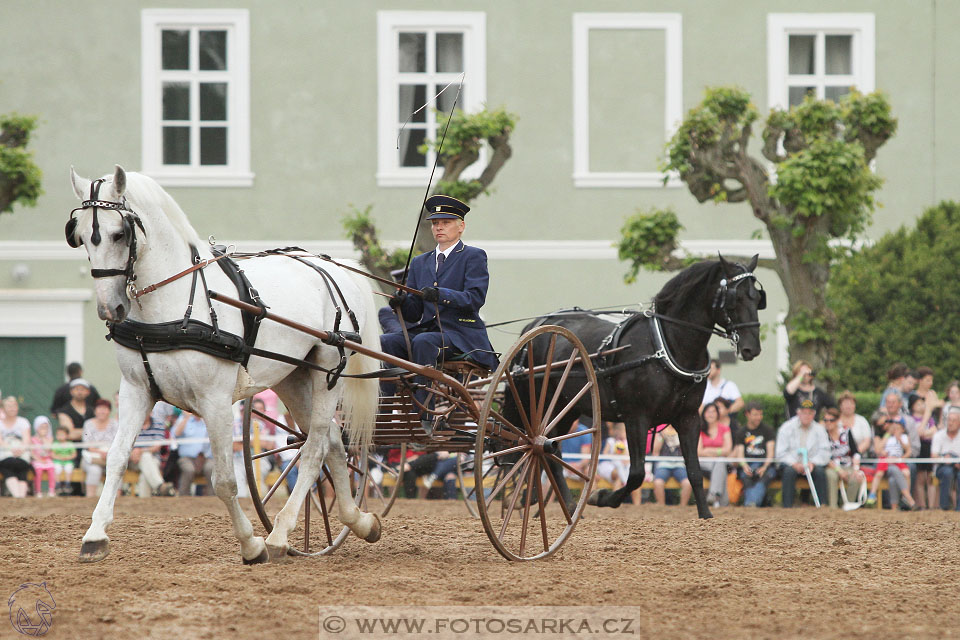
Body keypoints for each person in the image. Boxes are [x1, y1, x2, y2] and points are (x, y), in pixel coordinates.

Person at [380, 195, 498, 433]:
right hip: (429, 331)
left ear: (461, 226)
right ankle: (385, 411)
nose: (439, 227)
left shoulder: (473, 256)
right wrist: (401, 303)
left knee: (424, 342)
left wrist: (441, 294)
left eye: (445, 222)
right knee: (387, 342)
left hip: (460, 333)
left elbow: (475, 298)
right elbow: (413, 314)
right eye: (435, 223)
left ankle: (426, 416)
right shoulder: (420, 263)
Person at [775, 399, 829, 508]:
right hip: (791, 464)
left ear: (814, 414)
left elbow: (825, 452)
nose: (807, 416)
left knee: (820, 472)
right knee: (789, 472)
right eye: (804, 412)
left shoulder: (820, 429)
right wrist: (795, 464)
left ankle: (823, 506)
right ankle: (787, 507)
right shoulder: (786, 428)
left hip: (811, 465)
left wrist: (812, 463)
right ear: (798, 413)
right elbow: (780, 453)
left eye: (810, 413)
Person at [870, 393, 917, 507]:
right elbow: (876, 449)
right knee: (895, 471)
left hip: (899, 459)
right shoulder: (879, 427)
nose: (890, 405)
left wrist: (900, 456)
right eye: (888, 402)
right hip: (884, 460)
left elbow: (911, 449)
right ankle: (908, 499)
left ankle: (898, 503)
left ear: (900, 404)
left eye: (893, 402)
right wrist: (888, 435)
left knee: (904, 472)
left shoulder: (907, 422)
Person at [55, 378, 95, 495]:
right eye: (77, 389)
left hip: (89, 449)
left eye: (83, 389)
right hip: (70, 450)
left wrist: (79, 432)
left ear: (87, 392)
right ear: (71, 391)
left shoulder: (92, 410)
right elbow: (69, 434)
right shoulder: (64, 411)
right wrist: (89, 432)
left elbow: (75, 432)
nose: (80, 392)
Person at [734, 401, 776, 507]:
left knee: (763, 478)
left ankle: (750, 504)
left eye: (760, 414)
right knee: (746, 477)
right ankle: (753, 504)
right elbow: (740, 454)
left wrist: (765, 467)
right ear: (747, 414)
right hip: (748, 464)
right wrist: (744, 466)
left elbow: (771, 453)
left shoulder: (768, 430)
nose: (759, 417)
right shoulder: (741, 432)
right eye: (756, 414)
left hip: (765, 465)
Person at [822, 407, 864, 508]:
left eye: (831, 420)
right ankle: (833, 507)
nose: (828, 423)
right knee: (832, 476)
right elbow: (824, 457)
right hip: (831, 467)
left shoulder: (846, 432)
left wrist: (856, 469)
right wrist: (839, 470)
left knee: (855, 478)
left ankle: (848, 506)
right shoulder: (822, 434)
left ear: (837, 420)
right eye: (825, 420)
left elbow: (856, 452)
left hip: (847, 465)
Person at [128, 414, 174, 497]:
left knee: (144, 473)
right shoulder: (130, 425)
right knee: (146, 457)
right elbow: (125, 446)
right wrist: (133, 454)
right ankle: (160, 486)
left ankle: (144, 503)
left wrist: (140, 451)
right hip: (133, 460)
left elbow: (157, 447)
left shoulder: (158, 424)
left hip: (153, 459)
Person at [80, 398, 119, 497]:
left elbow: (117, 443)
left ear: (109, 411)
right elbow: (87, 445)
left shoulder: (115, 424)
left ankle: (116, 498)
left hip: (110, 457)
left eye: (105, 408)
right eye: (99, 408)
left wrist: (109, 453)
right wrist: (101, 453)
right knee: (94, 470)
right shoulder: (88, 424)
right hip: (92, 458)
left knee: (116, 470)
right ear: (95, 410)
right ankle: (90, 497)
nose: (102, 411)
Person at [698, 402, 732, 508]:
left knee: (720, 464)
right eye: (708, 412)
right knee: (720, 463)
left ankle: (713, 496)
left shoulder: (725, 428)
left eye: (713, 412)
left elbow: (728, 450)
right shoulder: (699, 429)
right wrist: (718, 452)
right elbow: (698, 451)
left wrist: (709, 450)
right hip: (703, 462)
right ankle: (722, 501)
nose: (710, 414)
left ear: (718, 414)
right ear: (704, 414)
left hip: (719, 461)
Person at [172, 411, 213, 495]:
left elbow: (216, 434)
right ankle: (184, 497)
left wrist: (206, 420)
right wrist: (186, 418)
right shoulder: (183, 418)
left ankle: (213, 498)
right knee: (188, 469)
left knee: (211, 468)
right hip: (187, 458)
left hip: (206, 458)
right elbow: (176, 433)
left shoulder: (209, 420)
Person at [652, 425, 692, 506]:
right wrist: (661, 436)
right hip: (663, 463)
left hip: (679, 463)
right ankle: (661, 505)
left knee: (687, 483)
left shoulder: (683, 431)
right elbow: (655, 451)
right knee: (658, 483)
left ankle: (682, 506)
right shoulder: (661, 432)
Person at [0, 397, 32, 498]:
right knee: (8, 465)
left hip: (21, 454)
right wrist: (11, 449)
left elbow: (26, 439)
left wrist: (20, 449)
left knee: (21, 467)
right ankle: (18, 496)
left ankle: (20, 498)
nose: (12, 408)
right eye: (9, 406)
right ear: (3, 408)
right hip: (6, 454)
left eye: (14, 406)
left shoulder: (23, 422)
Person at [910, 395, 938, 509]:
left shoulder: (929, 418)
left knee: (930, 478)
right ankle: (921, 505)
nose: (921, 406)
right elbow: (917, 433)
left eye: (922, 403)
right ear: (912, 406)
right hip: (918, 449)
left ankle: (931, 506)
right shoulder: (911, 419)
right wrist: (926, 432)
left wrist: (924, 433)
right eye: (918, 404)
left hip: (928, 447)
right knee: (920, 478)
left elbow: (934, 430)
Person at [932, 411, 960, 510]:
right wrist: (944, 458)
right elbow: (933, 456)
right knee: (947, 472)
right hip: (942, 466)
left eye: (954, 420)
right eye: (949, 420)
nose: (950, 423)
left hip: (958, 466)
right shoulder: (939, 435)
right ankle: (944, 506)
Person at [30, 417, 57, 498]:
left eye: (46, 428)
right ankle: (38, 491)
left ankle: (51, 490)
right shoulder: (32, 439)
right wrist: (39, 460)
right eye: (41, 427)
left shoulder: (50, 439)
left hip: (47, 460)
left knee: (52, 469)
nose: (44, 430)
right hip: (37, 460)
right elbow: (31, 453)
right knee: (38, 471)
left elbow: (48, 449)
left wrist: (43, 439)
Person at [51, 426, 76, 495]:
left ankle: (67, 484)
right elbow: (52, 454)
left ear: (67, 436)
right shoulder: (55, 444)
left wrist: (67, 458)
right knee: (57, 468)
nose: (60, 436)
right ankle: (57, 485)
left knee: (69, 468)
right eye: (58, 434)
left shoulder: (70, 444)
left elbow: (74, 454)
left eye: (62, 434)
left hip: (68, 462)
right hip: (57, 462)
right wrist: (59, 458)